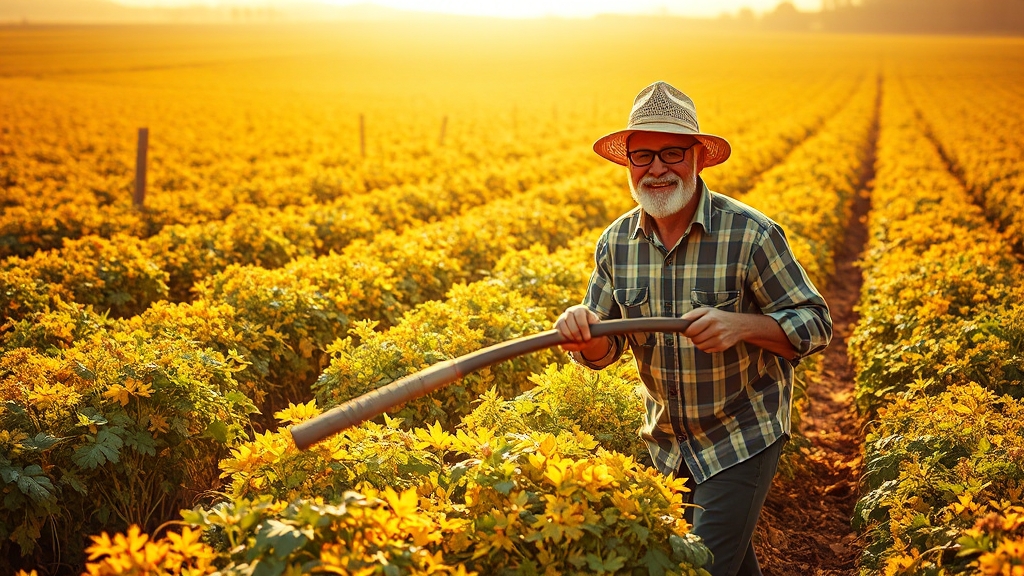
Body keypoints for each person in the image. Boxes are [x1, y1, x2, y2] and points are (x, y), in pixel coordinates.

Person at [554, 81, 832, 576]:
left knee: (695, 567)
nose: (656, 168)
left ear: (698, 157)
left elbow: (815, 323)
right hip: (667, 442)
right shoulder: (615, 243)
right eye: (642, 157)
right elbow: (603, 350)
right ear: (628, 166)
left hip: (742, 432)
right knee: (715, 562)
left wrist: (741, 326)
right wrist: (583, 330)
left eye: (671, 153)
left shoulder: (750, 233)